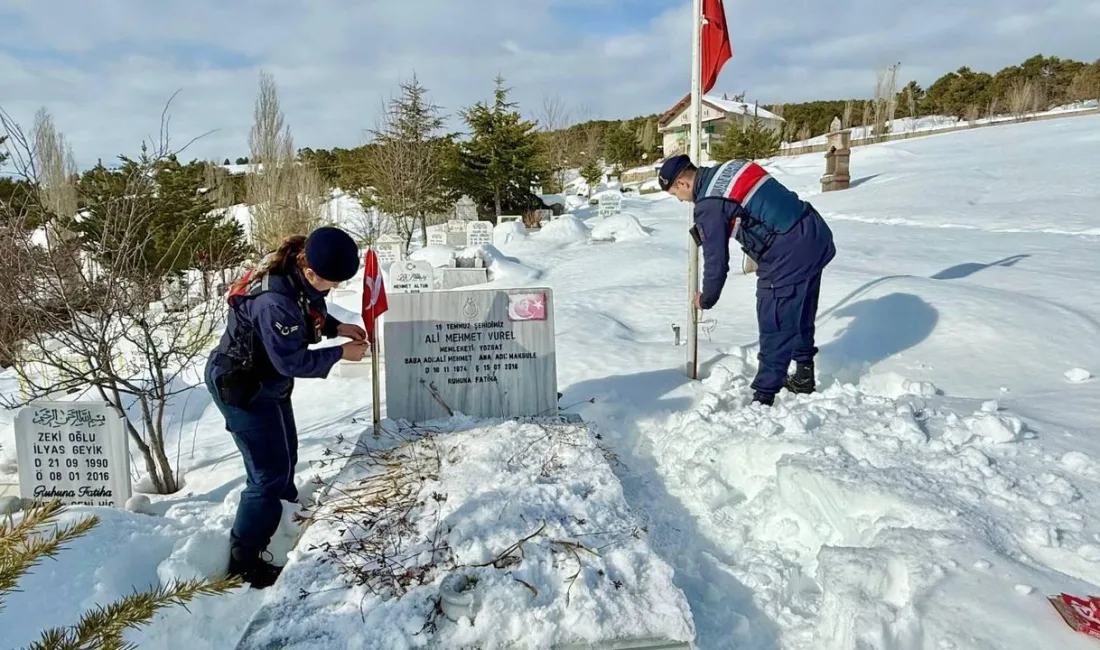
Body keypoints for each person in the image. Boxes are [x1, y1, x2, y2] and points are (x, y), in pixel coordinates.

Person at [204, 226, 368, 588]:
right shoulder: (273, 301)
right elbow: (290, 361)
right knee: (267, 476)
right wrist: (341, 352)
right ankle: (244, 560)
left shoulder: (298, 273)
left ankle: (280, 519)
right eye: (332, 281)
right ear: (309, 270)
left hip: (267, 382)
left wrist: (338, 327)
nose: (335, 288)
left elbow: (310, 311)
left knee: (286, 457)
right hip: (242, 386)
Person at [659, 153, 836, 406]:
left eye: (676, 194)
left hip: (786, 252)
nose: (681, 200)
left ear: (684, 183)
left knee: (774, 319)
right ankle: (804, 375)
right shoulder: (733, 167)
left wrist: (706, 299)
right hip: (813, 232)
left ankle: (763, 397)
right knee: (801, 310)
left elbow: (716, 263)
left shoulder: (709, 204)